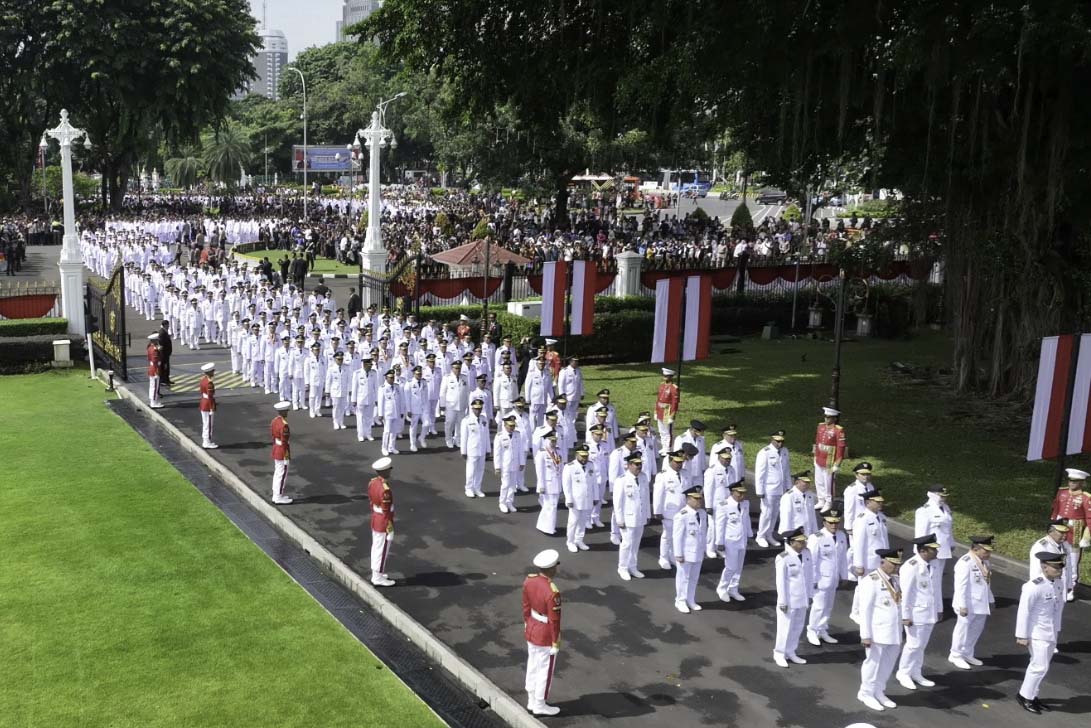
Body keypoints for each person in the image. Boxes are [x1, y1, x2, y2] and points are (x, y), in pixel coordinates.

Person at [1015, 552, 1067, 714]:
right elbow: (1024, 612)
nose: (1060, 569)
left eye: (1061, 566)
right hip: (1036, 632)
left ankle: (1031, 695)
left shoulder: (1058, 583)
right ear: (1044, 567)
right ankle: (1025, 697)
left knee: (1042, 667)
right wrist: (1022, 635)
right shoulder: (1033, 586)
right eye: (1056, 566)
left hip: (1050, 631)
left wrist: (1057, 629)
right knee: (1039, 666)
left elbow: (1057, 609)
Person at [857, 548, 904, 712]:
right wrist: (866, 635)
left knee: (888, 663)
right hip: (877, 632)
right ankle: (865, 693)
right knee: (873, 663)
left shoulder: (895, 580)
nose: (896, 567)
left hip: (894, 632)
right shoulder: (871, 581)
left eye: (898, 564)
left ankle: (879, 690)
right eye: (893, 563)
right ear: (882, 562)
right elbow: (865, 610)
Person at [896, 534, 942, 691]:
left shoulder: (933, 565)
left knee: (921, 645)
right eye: (933, 549)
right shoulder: (911, 566)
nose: (936, 552)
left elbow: (937, 590)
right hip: (916, 614)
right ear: (923, 550)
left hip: (929, 612)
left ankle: (916, 672)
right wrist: (905, 616)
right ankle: (903, 673)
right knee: (913, 644)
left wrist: (939, 609)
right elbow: (905, 593)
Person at [523, 549, 562, 716]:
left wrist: (526, 622)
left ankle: (531, 699)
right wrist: (555, 641)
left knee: (532, 665)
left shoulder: (529, 581)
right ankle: (540, 703)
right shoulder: (552, 592)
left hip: (531, 627)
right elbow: (554, 620)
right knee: (545, 669)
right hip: (545, 633)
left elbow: (526, 605)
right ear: (552, 569)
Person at [948, 535, 996, 670]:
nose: (989, 553)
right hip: (967, 604)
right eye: (986, 551)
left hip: (981, 603)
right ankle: (955, 654)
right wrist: (962, 605)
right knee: (962, 630)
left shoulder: (985, 562)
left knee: (976, 629)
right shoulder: (965, 562)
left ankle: (967, 653)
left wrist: (990, 600)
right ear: (975, 549)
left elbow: (986, 584)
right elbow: (960, 586)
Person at [773, 527, 814, 667]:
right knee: (785, 628)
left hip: (802, 599)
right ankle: (779, 653)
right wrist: (783, 601)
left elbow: (809, 577)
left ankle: (791, 651)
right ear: (791, 542)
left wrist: (810, 595)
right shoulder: (783, 558)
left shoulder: (807, 554)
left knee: (797, 627)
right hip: (789, 600)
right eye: (800, 542)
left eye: (804, 541)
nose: (804, 544)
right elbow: (781, 582)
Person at [806, 509, 848, 645]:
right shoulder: (816, 538)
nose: (834, 525)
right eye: (830, 522)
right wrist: (812, 580)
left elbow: (843, 558)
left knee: (828, 606)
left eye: (836, 523)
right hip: (821, 579)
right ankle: (812, 630)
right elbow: (811, 561)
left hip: (834, 578)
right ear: (824, 522)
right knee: (818, 606)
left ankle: (822, 629)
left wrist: (844, 576)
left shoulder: (841, 536)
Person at [1050, 468, 1091, 595]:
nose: (1071, 483)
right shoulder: (1061, 492)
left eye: (1075, 481)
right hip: (1059, 527)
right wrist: (1052, 524)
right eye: (1070, 481)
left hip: (1076, 531)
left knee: (1073, 560)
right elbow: (1055, 509)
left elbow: (1090, 518)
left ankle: (1070, 587)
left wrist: (1087, 537)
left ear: (1081, 483)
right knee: (1055, 554)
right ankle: (1055, 581)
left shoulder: (1086, 498)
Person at [914, 485, 954, 610]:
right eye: (940, 496)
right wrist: (920, 553)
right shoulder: (924, 511)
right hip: (929, 552)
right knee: (929, 581)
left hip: (942, 550)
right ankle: (930, 608)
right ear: (930, 494)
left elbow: (948, 529)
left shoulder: (945, 508)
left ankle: (937, 608)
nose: (942, 498)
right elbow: (920, 534)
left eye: (944, 496)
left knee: (937, 581)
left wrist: (951, 544)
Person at [715, 481, 752, 602]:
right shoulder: (724, 505)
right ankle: (722, 588)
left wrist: (750, 534)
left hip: (742, 539)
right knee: (731, 566)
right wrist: (719, 542)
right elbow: (720, 524)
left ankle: (733, 588)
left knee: (739, 566)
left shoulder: (745, 504)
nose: (742, 496)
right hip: (730, 540)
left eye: (743, 493)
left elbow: (746, 520)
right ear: (732, 492)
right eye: (739, 493)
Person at [614, 452, 649, 581]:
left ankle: (633, 566)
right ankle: (622, 567)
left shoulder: (643, 477)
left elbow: (645, 498)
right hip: (627, 518)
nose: (639, 467)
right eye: (636, 464)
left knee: (636, 544)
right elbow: (617, 502)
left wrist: (647, 514)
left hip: (640, 517)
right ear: (629, 465)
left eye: (640, 464)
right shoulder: (622, 480)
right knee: (626, 544)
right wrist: (619, 520)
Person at [673, 487, 708, 614]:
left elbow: (704, 533)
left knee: (694, 577)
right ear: (688, 500)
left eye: (700, 498)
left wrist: (705, 549)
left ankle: (690, 599)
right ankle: (680, 600)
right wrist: (678, 554)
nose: (700, 501)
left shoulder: (702, 514)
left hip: (698, 551)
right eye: (696, 498)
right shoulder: (682, 515)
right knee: (683, 578)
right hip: (686, 553)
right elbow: (677, 536)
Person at [754, 430, 791, 547]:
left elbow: (786, 471)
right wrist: (759, 491)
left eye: (782, 441)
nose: (780, 444)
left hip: (780, 488)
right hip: (768, 489)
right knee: (766, 513)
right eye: (777, 441)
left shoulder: (785, 451)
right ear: (772, 439)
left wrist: (788, 486)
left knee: (775, 513)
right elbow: (760, 473)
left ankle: (769, 534)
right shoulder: (765, 452)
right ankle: (760, 536)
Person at [653, 450, 687, 570]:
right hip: (669, 511)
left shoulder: (686, 474)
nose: (679, 464)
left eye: (681, 462)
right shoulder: (663, 475)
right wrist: (657, 511)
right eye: (676, 462)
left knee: (679, 536)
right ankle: (663, 557)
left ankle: (673, 556)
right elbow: (658, 494)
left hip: (683, 511)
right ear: (670, 461)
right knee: (667, 535)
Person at [1029, 520, 1076, 601]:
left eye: (1065, 532)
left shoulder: (1065, 545)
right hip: (1047, 589)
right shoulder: (1041, 547)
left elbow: (1068, 566)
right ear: (1050, 532)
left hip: (1061, 588)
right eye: (1061, 532)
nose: (1064, 535)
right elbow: (1036, 570)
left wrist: (1069, 585)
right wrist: (1039, 589)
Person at [561, 444, 596, 552]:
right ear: (577, 455)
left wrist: (596, 496)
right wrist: (569, 499)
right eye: (582, 456)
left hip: (587, 498)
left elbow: (594, 482)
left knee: (583, 521)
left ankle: (579, 540)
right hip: (575, 500)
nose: (584, 458)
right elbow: (566, 485)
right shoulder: (570, 467)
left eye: (586, 456)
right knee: (573, 521)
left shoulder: (591, 465)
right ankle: (570, 542)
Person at [368, 457, 396, 587]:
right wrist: (389, 524)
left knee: (377, 547)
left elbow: (371, 501)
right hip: (383, 521)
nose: (390, 472)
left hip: (376, 518)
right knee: (382, 549)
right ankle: (377, 577)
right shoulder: (385, 489)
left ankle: (377, 573)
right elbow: (386, 510)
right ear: (384, 472)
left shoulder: (373, 482)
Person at [812, 406, 846, 512]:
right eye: (825, 417)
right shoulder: (820, 427)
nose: (826, 419)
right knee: (819, 480)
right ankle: (821, 500)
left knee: (828, 483)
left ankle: (829, 501)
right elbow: (817, 442)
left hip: (830, 458)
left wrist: (837, 463)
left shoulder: (838, 430)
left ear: (834, 418)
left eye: (829, 417)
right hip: (820, 456)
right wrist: (815, 455)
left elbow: (841, 447)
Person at [494, 412, 526, 514]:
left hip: (515, 463)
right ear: (505, 425)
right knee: (505, 484)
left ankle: (509, 502)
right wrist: (497, 467)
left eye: (513, 425)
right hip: (505, 465)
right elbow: (497, 453)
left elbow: (521, 449)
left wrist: (522, 462)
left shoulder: (517, 435)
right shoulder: (500, 436)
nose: (512, 428)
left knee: (512, 485)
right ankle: (502, 502)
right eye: (510, 426)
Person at [460, 399, 491, 498]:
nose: (478, 411)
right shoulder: (467, 420)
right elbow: (464, 437)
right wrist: (463, 451)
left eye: (480, 409)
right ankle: (468, 488)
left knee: (480, 470)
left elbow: (487, 435)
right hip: (472, 450)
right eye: (476, 409)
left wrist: (488, 449)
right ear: (472, 409)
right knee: (471, 470)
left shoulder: (484, 419)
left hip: (482, 449)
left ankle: (477, 488)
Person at [535, 430, 564, 535]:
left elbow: (561, 468)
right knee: (550, 505)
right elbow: (540, 471)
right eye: (551, 441)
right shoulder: (542, 453)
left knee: (551, 505)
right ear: (546, 441)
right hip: (547, 484)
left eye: (555, 441)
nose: (553, 443)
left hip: (557, 482)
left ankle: (542, 525)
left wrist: (562, 484)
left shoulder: (558, 452)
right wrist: (541, 486)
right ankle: (549, 528)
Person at [439, 359, 470, 449]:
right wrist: (442, 405)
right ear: (452, 368)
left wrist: (468, 404)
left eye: (459, 368)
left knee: (460, 424)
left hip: (462, 404)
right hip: (451, 405)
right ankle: (448, 439)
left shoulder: (464, 377)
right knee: (449, 423)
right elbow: (442, 392)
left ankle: (458, 439)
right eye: (456, 368)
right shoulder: (447, 378)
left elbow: (467, 392)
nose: (457, 370)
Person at [779, 471, 818, 536]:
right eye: (805, 482)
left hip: (809, 533)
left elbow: (813, 516)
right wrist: (787, 535)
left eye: (808, 482)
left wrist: (816, 532)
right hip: (795, 534)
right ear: (797, 482)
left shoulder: (810, 495)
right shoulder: (788, 496)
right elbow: (785, 517)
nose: (807, 484)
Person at [378, 368, 406, 457]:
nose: (392, 379)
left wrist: (401, 411)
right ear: (386, 378)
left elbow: (401, 400)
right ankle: (384, 448)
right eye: (390, 378)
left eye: (393, 377)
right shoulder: (382, 388)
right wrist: (380, 414)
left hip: (396, 412)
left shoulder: (397, 386)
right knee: (387, 431)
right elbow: (381, 402)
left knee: (394, 431)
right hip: (387, 413)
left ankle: (392, 447)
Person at [403, 365, 430, 451]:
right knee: (413, 427)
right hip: (414, 409)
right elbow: (407, 398)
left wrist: (427, 407)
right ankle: (413, 444)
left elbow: (426, 395)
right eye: (417, 374)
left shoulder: (424, 382)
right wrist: (408, 410)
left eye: (420, 374)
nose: (419, 375)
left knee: (427, 424)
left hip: (424, 407)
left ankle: (421, 437)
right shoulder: (409, 383)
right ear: (414, 374)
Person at [270, 401, 293, 505]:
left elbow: (273, 435)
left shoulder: (275, 421)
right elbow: (284, 441)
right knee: (282, 474)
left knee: (277, 473)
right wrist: (286, 455)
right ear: (283, 412)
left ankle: (276, 494)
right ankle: (278, 496)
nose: (287, 413)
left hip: (276, 448)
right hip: (282, 450)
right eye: (286, 411)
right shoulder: (284, 425)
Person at [654, 368, 679, 454]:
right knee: (661, 430)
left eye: (666, 376)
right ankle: (664, 446)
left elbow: (674, 403)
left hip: (666, 411)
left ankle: (668, 448)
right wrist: (655, 411)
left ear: (671, 377)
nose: (664, 377)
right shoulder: (661, 386)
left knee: (668, 431)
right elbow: (658, 399)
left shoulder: (674, 388)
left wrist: (672, 415)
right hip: (660, 410)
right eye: (664, 375)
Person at [199, 362, 218, 449]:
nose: (214, 372)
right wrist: (211, 408)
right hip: (207, 404)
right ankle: (207, 442)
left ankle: (205, 440)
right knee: (208, 424)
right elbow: (210, 396)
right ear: (209, 372)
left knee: (205, 423)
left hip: (203, 402)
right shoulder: (209, 383)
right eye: (212, 371)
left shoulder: (203, 380)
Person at [146, 334, 163, 408]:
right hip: (155, 369)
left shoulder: (150, 347)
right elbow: (155, 360)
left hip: (152, 368)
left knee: (152, 386)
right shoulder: (154, 350)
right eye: (157, 340)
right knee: (154, 387)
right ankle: (153, 403)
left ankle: (153, 401)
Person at [157, 319, 173, 386]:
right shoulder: (162, 332)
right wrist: (163, 354)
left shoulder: (164, 331)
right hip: (164, 354)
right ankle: (163, 380)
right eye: (167, 325)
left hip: (166, 353)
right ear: (165, 325)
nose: (168, 326)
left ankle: (167, 379)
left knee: (167, 367)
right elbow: (161, 344)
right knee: (164, 367)